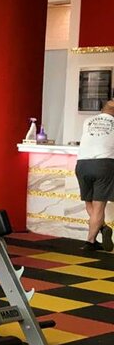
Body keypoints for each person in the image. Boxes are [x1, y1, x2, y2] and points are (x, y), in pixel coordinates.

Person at [75, 98, 114, 252]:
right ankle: (90, 242)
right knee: (99, 206)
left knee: (88, 202)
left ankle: (103, 228)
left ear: (102, 109)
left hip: (82, 164)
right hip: (103, 165)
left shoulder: (88, 122)